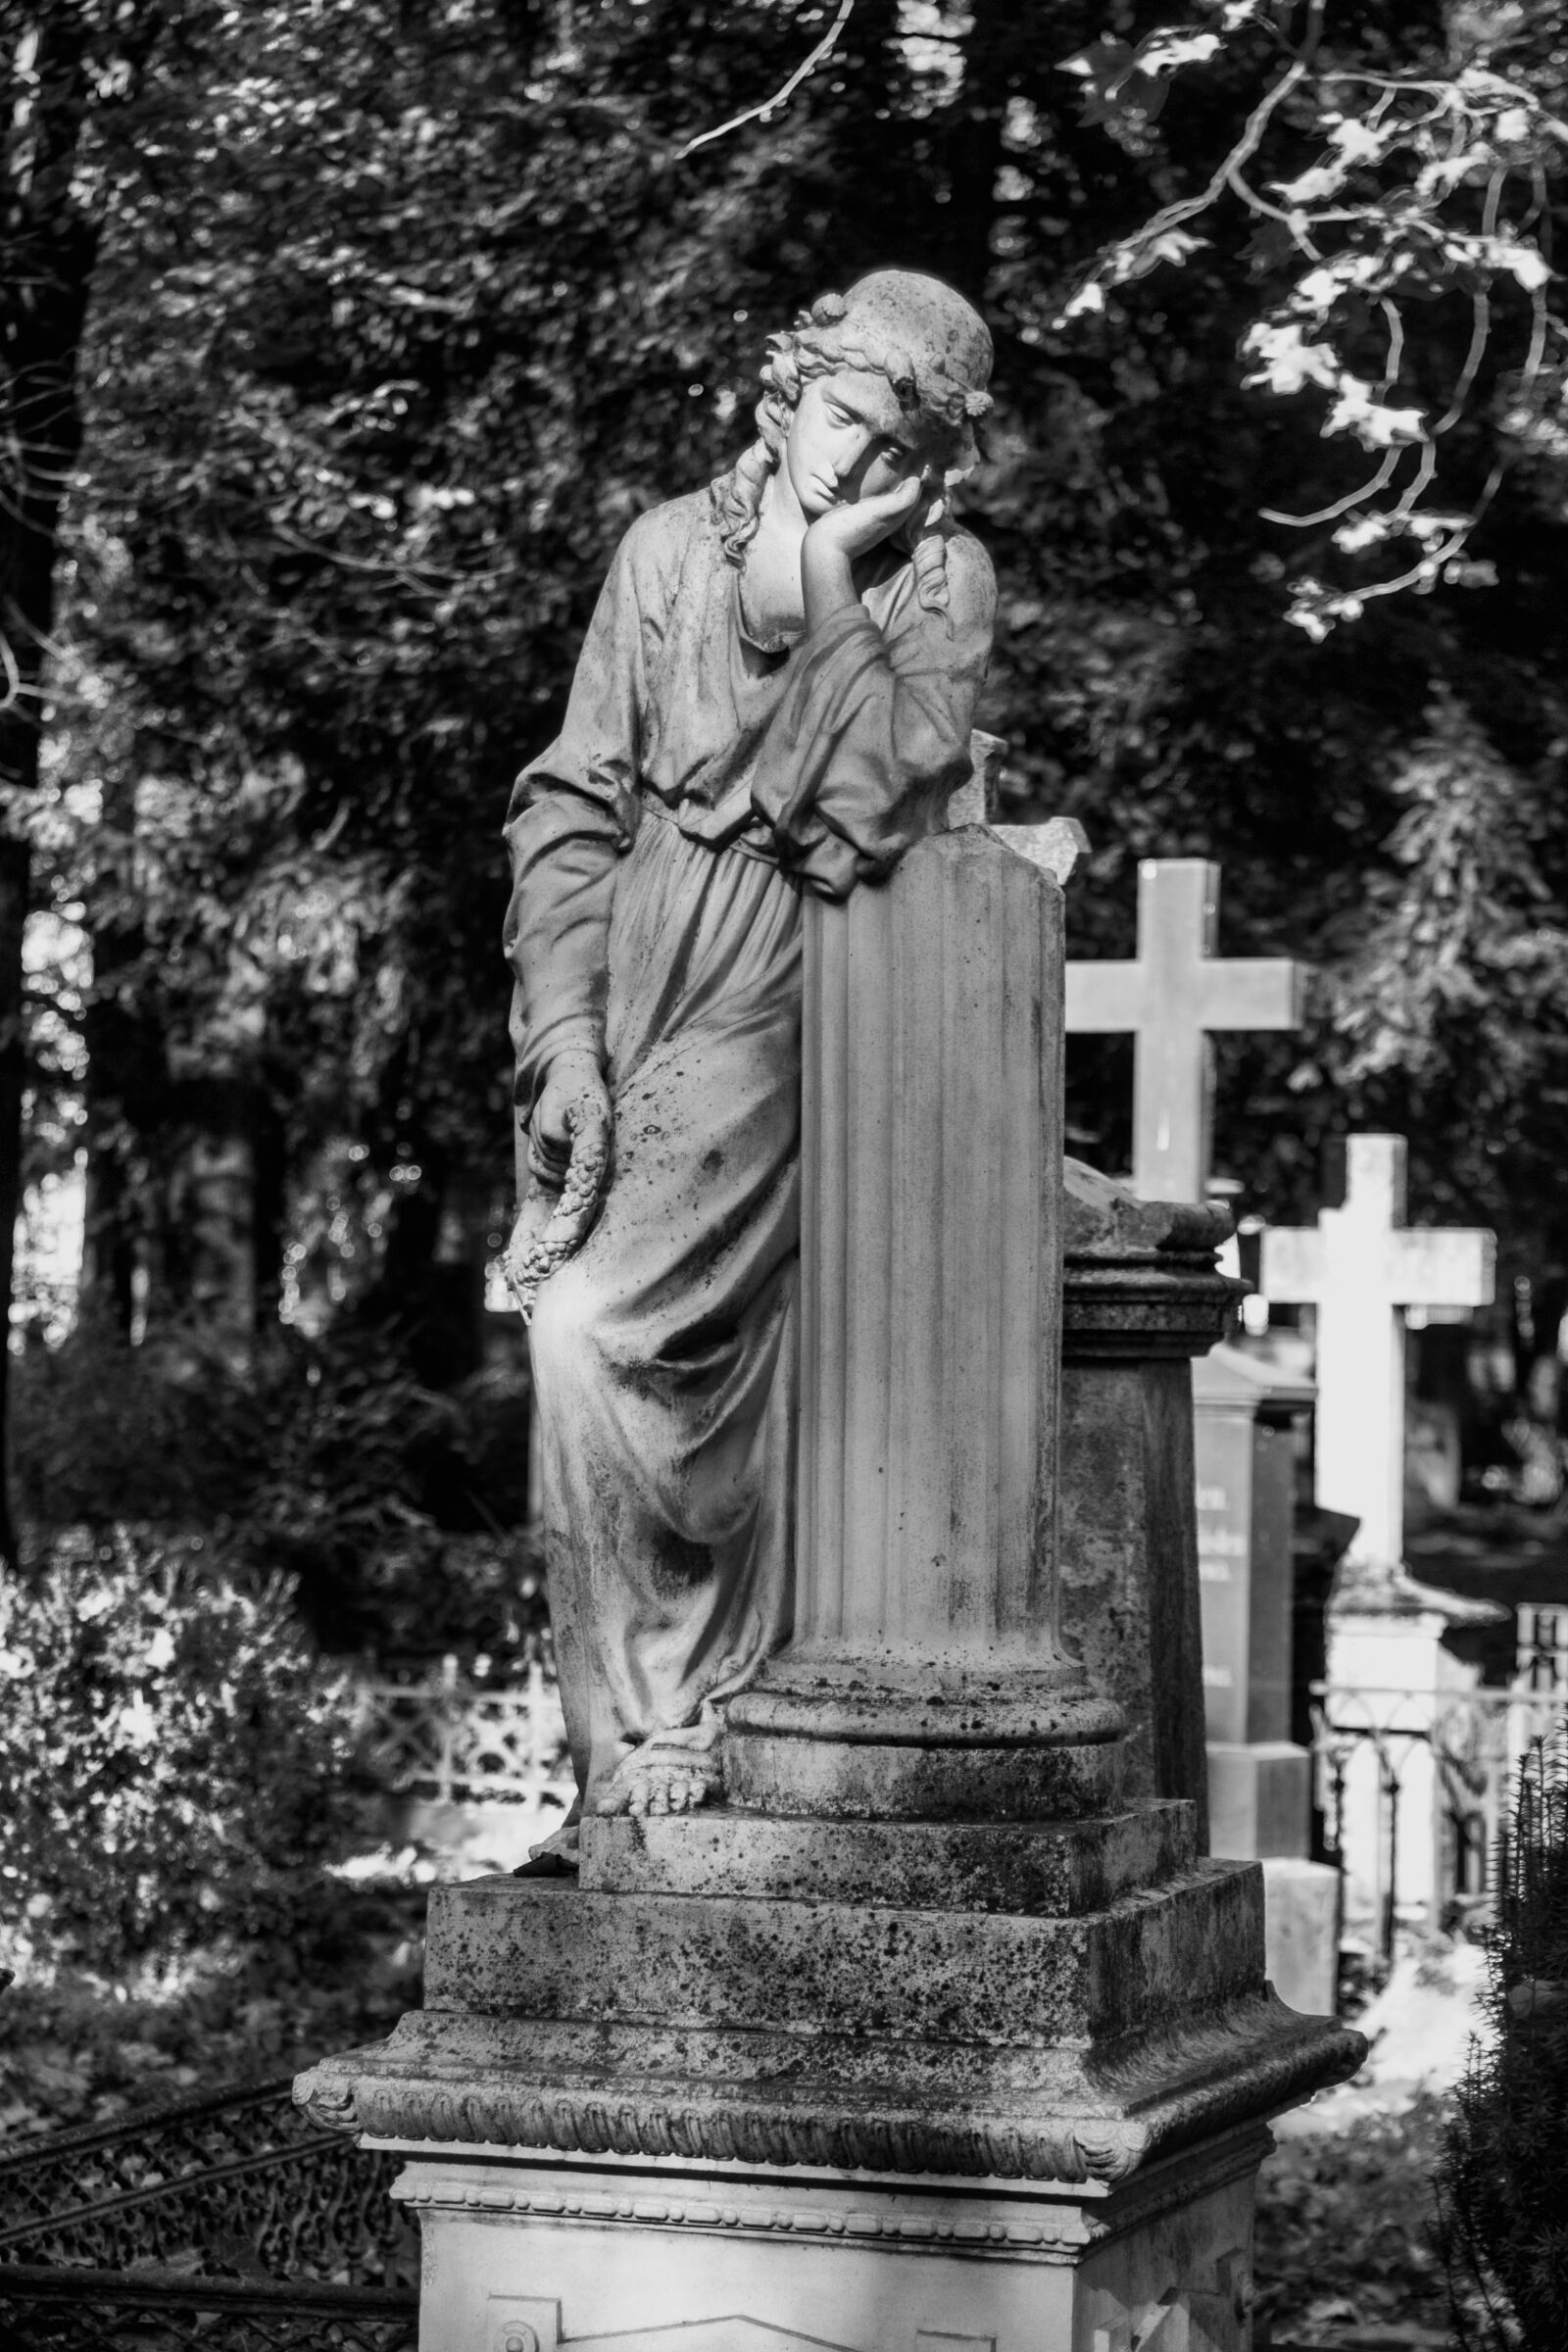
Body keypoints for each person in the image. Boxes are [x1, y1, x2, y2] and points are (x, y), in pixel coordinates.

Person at [503, 270, 997, 1864]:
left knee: (610, 1327)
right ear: (792, 392)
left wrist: (836, 578)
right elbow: (572, 807)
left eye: (890, 447)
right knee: (589, 1343)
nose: (852, 463)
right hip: (643, 967)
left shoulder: (939, 587)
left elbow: (869, 806)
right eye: (842, 418)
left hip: (804, 982)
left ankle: (687, 1713)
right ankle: (625, 1747)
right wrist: (565, 1041)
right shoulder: (662, 551)